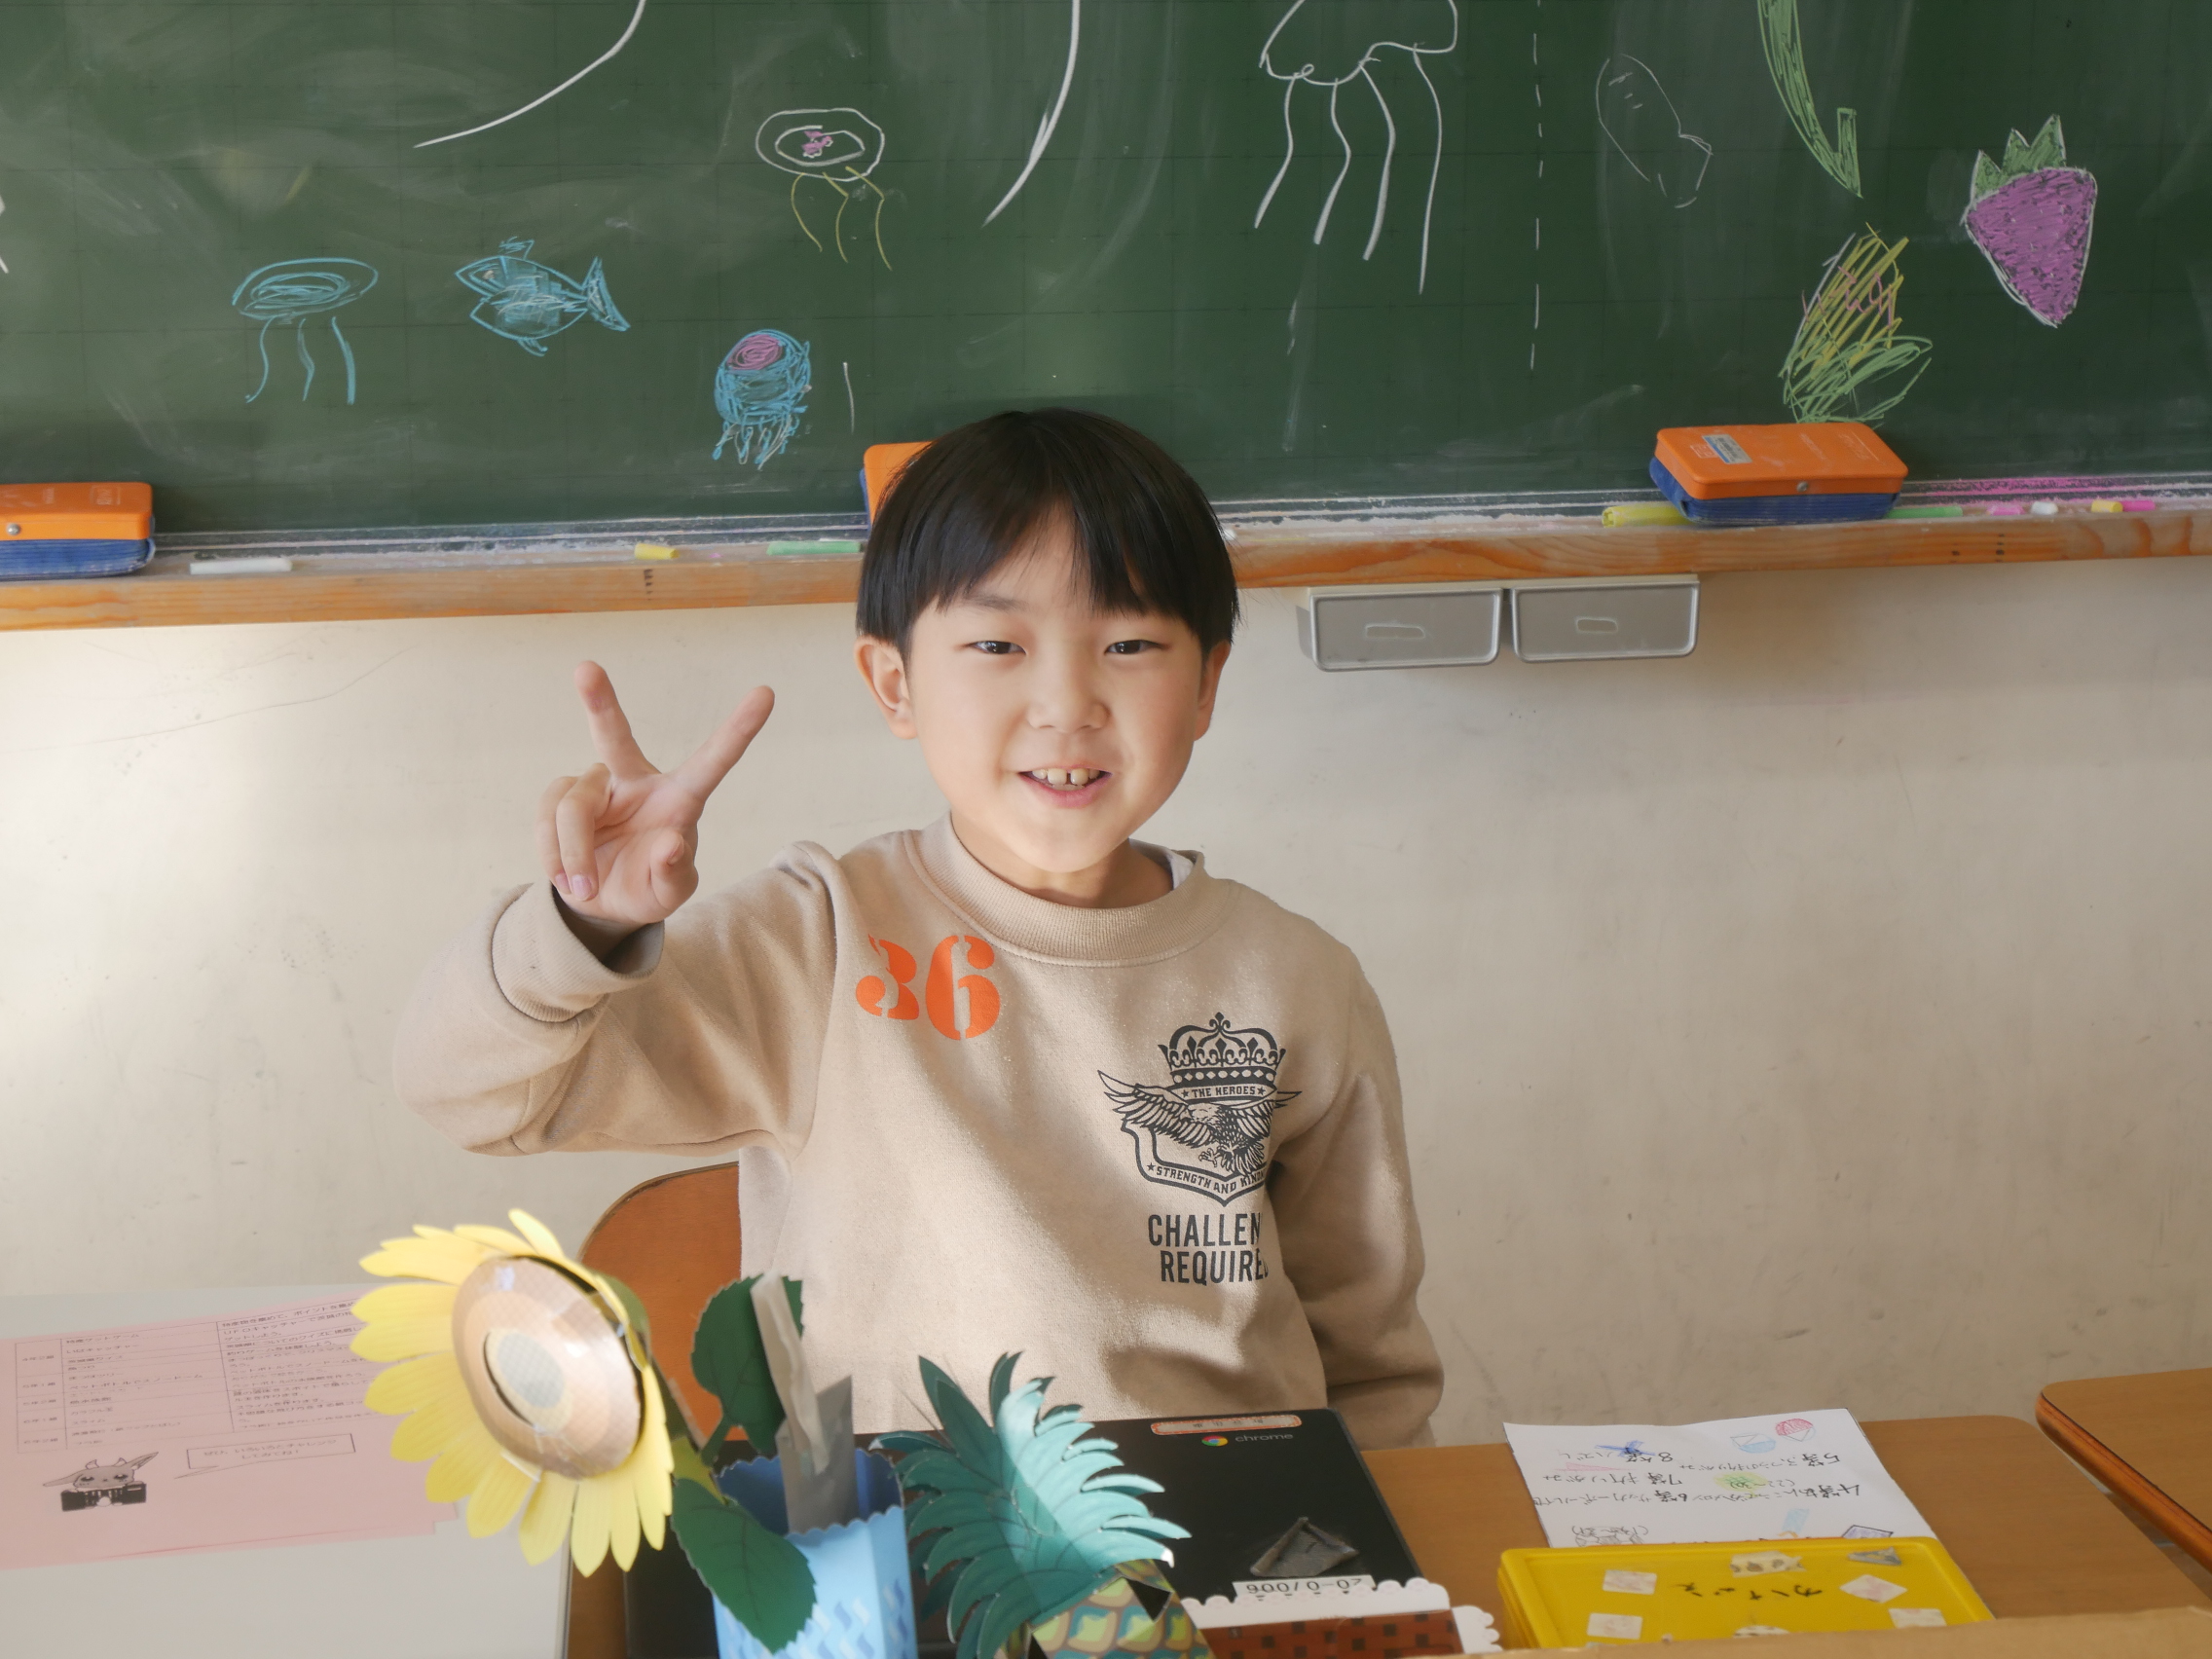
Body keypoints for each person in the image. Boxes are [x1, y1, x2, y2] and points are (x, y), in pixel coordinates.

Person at [393, 409, 1442, 1446]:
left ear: (1206, 684)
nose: (1066, 702)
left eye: (1129, 643)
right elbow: (468, 1095)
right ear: (895, 684)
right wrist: (579, 924)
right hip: (907, 1537)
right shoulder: (817, 940)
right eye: (997, 644)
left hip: (1236, 1526)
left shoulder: (1297, 977)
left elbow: (1369, 1359)